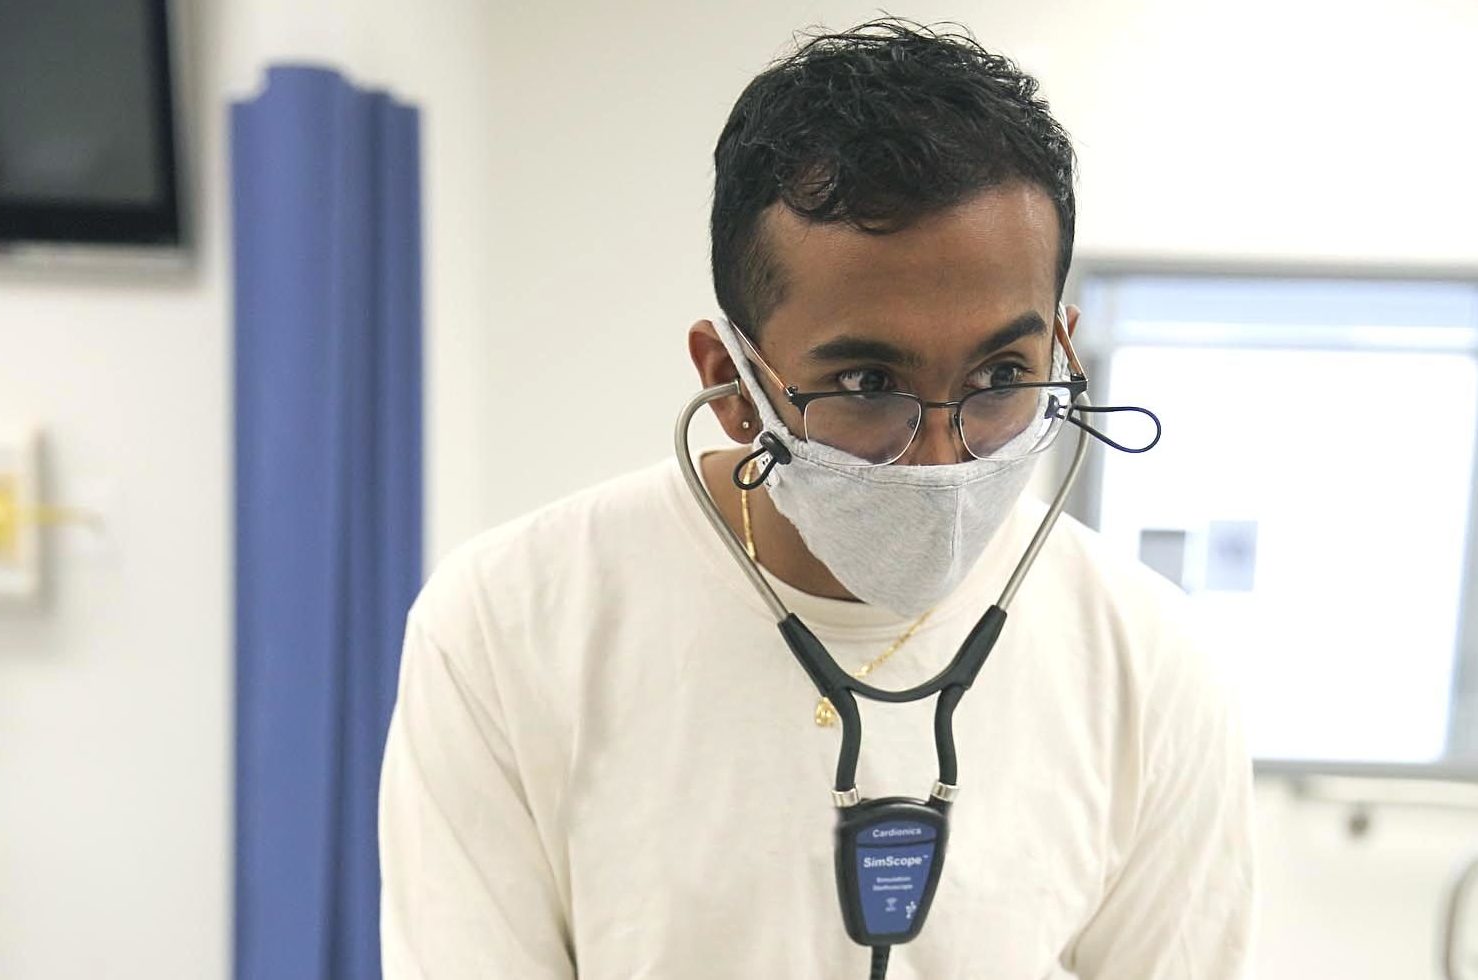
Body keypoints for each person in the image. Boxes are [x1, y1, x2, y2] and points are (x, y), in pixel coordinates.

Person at [378, 18, 1254, 979]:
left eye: (1003, 372)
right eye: (869, 385)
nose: (939, 459)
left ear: (1064, 349)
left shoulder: (1150, 661)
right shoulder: (508, 627)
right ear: (731, 387)